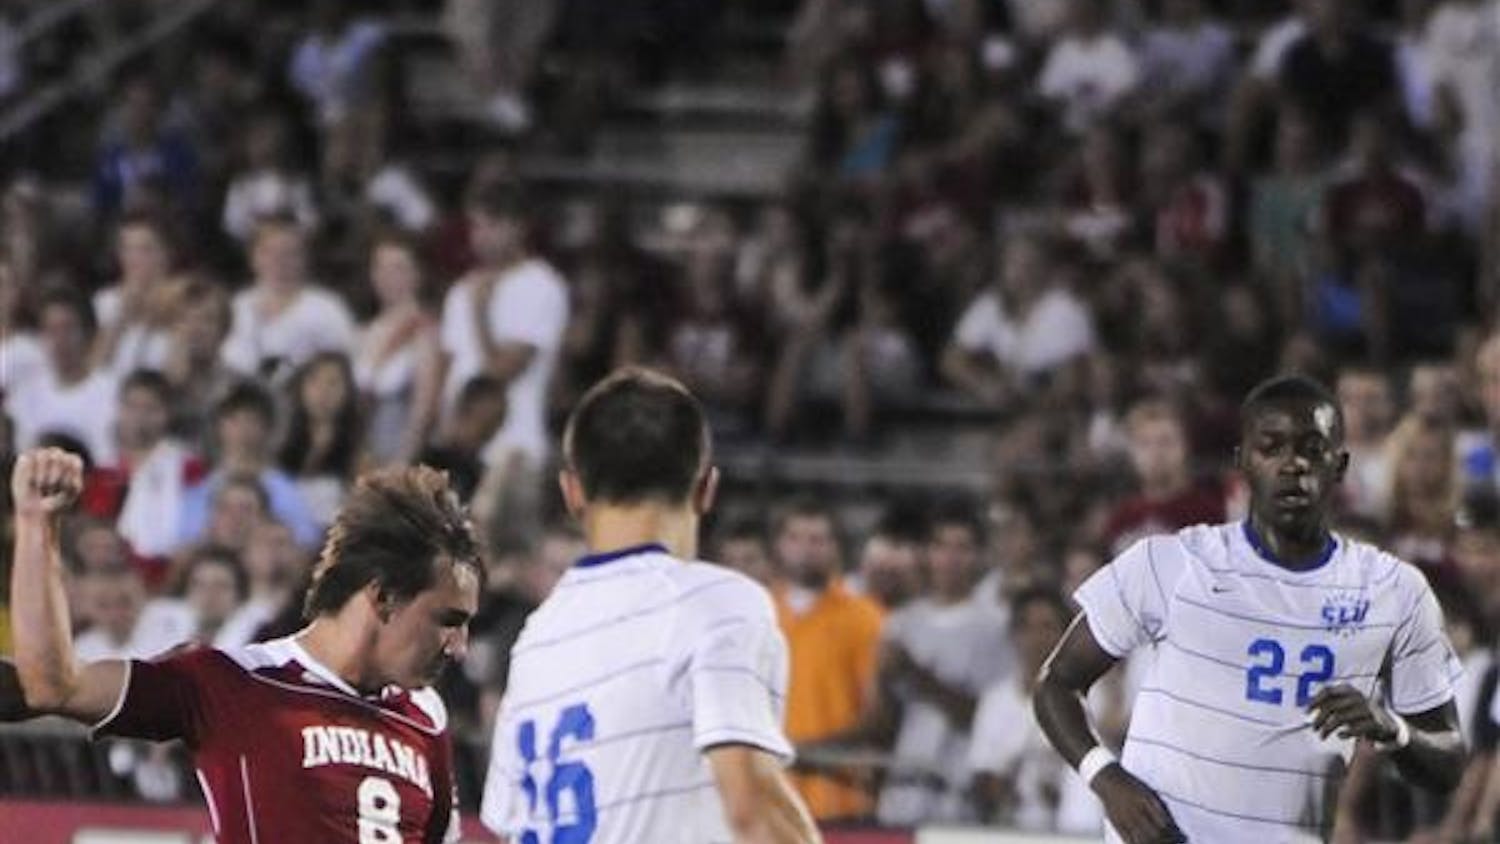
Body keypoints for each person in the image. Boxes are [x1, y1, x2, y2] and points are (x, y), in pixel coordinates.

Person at [1034, 374, 1466, 843]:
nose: (1292, 464)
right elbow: (1056, 683)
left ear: (1339, 466)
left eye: (1312, 448)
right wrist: (1106, 778)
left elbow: (1447, 761)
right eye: (1271, 447)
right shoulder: (1171, 563)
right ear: (1242, 462)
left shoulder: (1395, 590)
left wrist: (1392, 728)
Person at [5, 446, 482, 841]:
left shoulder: (426, 717)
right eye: (448, 620)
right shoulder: (233, 682)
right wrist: (35, 524)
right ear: (383, 598)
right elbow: (52, 684)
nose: (459, 646)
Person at [481, 368, 820, 843]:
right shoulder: (717, 603)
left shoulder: (536, 638)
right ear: (707, 488)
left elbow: (507, 827)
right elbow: (751, 807)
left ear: (572, 491)